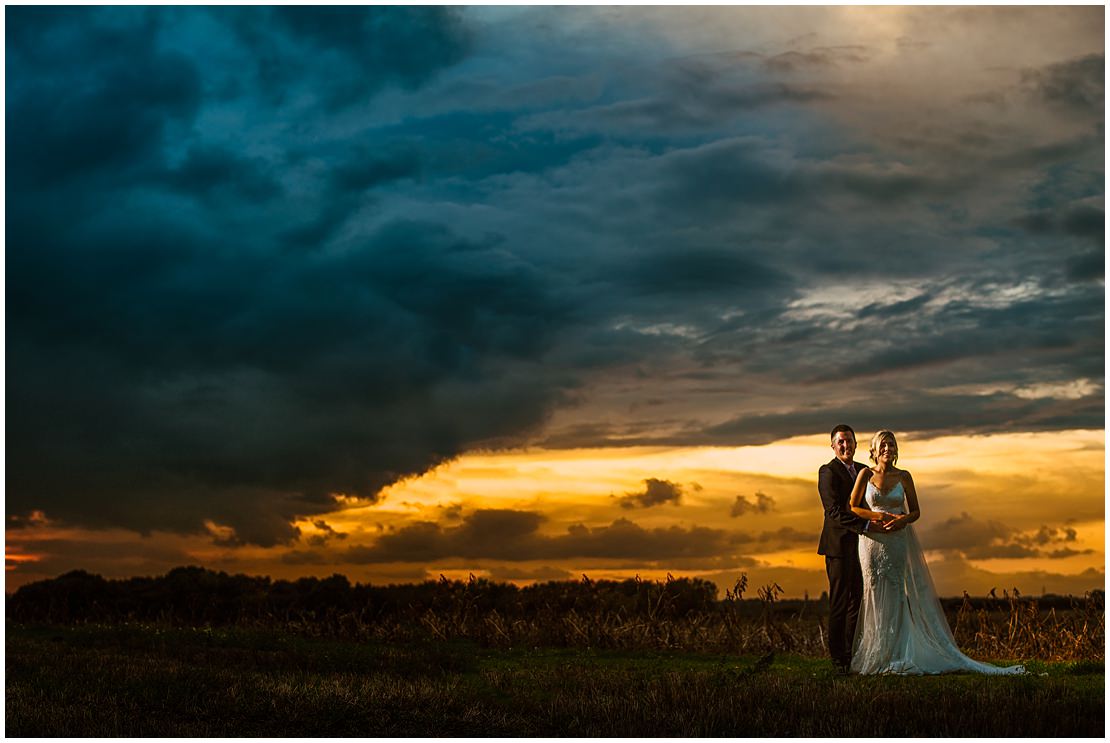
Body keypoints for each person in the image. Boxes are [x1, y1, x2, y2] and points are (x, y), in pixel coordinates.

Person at [848, 430, 1025, 675]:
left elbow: (916, 511)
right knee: (874, 590)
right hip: (871, 542)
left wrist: (903, 521)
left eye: (892, 444)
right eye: (884, 445)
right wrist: (877, 515)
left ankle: (899, 652)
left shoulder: (905, 476)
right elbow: (853, 506)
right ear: (875, 450)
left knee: (898, 591)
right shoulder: (865, 474)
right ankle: (876, 652)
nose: (888, 448)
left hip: (897, 539)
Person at [817, 424, 886, 675]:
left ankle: (852, 653)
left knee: (858, 599)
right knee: (840, 601)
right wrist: (866, 524)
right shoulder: (827, 472)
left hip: (862, 547)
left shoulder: (862, 470)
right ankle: (838, 659)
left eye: (849, 441)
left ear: (856, 444)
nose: (845, 446)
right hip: (838, 547)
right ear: (833, 446)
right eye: (840, 442)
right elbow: (833, 512)